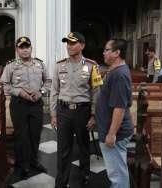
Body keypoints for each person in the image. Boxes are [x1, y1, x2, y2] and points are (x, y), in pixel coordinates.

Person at [50, 32, 102, 188]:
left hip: (83, 112)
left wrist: (93, 115)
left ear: (82, 45)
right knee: (63, 148)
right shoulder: (59, 65)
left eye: (73, 43)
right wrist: (53, 114)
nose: (69, 46)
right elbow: (54, 90)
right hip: (63, 111)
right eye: (68, 43)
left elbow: (96, 92)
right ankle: (61, 181)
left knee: (83, 145)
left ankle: (84, 174)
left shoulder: (93, 66)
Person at [0, 36, 48, 179]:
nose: (25, 50)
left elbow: (48, 82)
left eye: (27, 47)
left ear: (31, 48)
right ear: (17, 50)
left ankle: (33, 161)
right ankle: (22, 165)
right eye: (22, 47)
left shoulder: (40, 64)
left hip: (36, 104)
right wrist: (19, 92)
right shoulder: (11, 66)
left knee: (35, 134)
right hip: (19, 104)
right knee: (21, 136)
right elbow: (4, 85)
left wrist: (41, 92)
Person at [96, 38, 134, 188]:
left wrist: (112, 133)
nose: (103, 52)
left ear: (117, 53)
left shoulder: (119, 75)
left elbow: (119, 107)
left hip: (115, 133)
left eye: (107, 50)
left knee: (117, 174)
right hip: (111, 129)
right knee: (116, 171)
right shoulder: (115, 71)